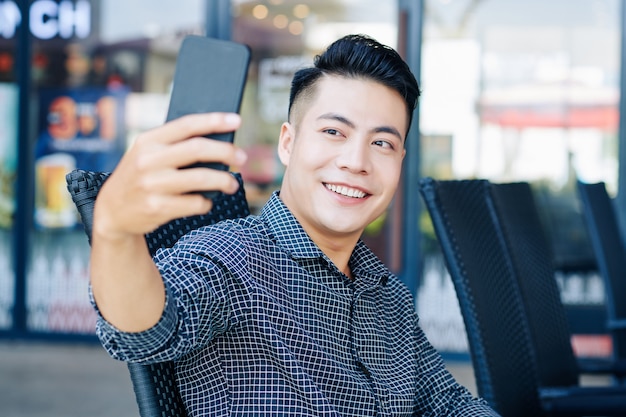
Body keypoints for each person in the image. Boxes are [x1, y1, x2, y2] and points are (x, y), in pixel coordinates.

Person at [90, 34, 499, 416]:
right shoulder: (231, 257)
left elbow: (446, 403)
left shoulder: (387, 294)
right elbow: (146, 329)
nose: (356, 161)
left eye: (382, 143)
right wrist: (115, 230)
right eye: (333, 131)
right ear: (288, 142)